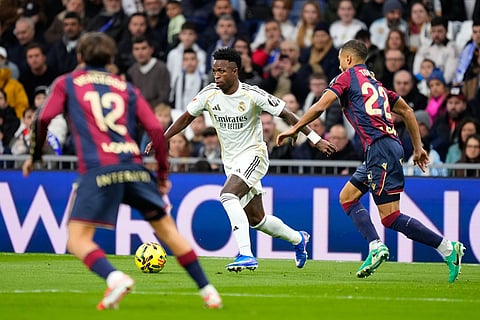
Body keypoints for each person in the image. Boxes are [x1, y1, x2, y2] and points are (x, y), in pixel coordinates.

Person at [21, 32, 222, 309]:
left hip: (98, 170)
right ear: (111, 59)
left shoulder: (67, 83)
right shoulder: (126, 87)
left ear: (79, 57)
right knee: (169, 232)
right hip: (134, 168)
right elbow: (155, 130)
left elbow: (43, 118)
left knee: (77, 240)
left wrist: (35, 155)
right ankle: (209, 291)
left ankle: (114, 278)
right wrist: (162, 176)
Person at [277, 39, 465, 283]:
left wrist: (296, 128)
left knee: (390, 217)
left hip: (380, 149)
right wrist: (417, 147)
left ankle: (448, 249)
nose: (339, 66)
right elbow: (407, 111)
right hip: (384, 148)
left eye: (340, 61)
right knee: (347, 197)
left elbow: (320, 106)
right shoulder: (376, 84)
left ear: (347, 59)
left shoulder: (345, 78)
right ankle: (376, 245)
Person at [146, 47, 337, 272]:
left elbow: (286, 113)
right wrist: (162, 139)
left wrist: (315, 139)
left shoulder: (251, 94)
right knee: (258, 220)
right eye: (214, 71)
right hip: (232, 163)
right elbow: (186, 117)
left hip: (254, 155)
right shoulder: (209, 94)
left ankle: (246, 255)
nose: (216, 75)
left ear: (235, 71)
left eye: (222, 71)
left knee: (227, 195)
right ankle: (298, 239)